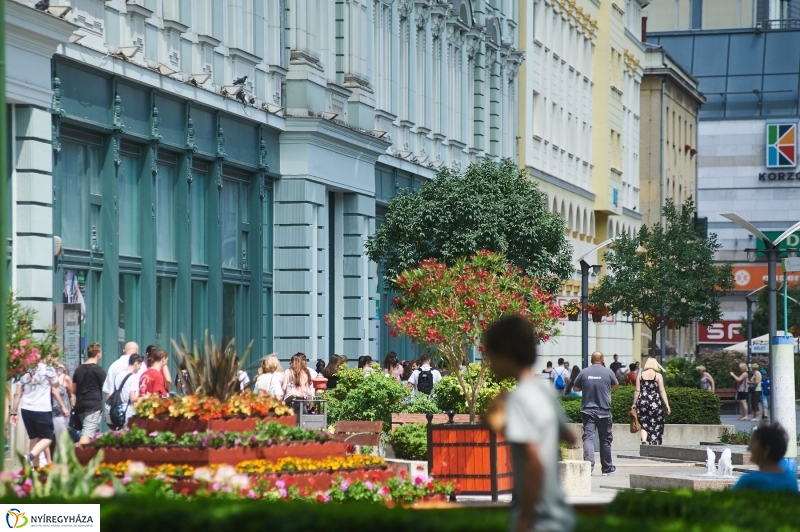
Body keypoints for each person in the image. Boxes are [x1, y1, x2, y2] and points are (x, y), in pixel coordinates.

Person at [482, 315, 576, 532]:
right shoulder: (543, 390)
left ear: (505, 355)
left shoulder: (518, 399)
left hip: (537, 520)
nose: (489, 361)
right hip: (560, 515)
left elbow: (534, 461)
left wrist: (525, 519)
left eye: (491, 354)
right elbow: (569, 437)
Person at [10, 362, 69, 466]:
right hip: (42, 409)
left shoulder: (23, 369)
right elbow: (56, 385)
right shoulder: (48, 369)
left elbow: (17, 394)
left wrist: (13, 413)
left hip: (26, 409)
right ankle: (29, 456)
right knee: (47, 438)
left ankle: (35, 469)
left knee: (34, 438)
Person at [572, 351, 619, 475]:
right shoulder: (608, 372)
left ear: (591, 359)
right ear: (602, 359)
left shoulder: (584, 372)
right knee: (605, 439)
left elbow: (575, 388)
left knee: (588, 439)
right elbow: (615, 386)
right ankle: (607, 468)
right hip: (604, 410)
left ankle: (588, 467)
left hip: (588, 410)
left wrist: (587, 386)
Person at [731, 423, 798, 493]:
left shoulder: (750, 481)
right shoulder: (791, 479)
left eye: (753, 442)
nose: (749, 448)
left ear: (766, 449)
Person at [71, 342, 105, 444]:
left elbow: (73, 391)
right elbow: (106, 387)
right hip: (93, 406)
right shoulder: (98, 370)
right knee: (87, 434)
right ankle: (78, 457)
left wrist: (73, 404)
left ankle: (88, 457)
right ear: (98, 353)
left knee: (89, 434)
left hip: (80, 405)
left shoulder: (78, 370)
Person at [632, 357, 671, 445]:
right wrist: (667, 404)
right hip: (655, 402)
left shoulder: (640, 375)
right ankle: (654, 441)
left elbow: (637, 391)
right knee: (656, 422)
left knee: (643, 422)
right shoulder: (658, 375)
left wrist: (634, 403)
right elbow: (661, 390)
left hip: (642, 401)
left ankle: (644, 440)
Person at [112, 354, 143, 425]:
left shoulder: (118, 375)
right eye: (139, 365)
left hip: (118, 409)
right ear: (136, 364)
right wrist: (144, 398)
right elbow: (132, 398)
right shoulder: (133, 377)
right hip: (128, 411)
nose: (139, 368)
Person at [51, 363, 74, 446]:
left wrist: (73, 411)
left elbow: (71, 395)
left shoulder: (65, 378)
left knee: (62, 441)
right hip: (48, 413)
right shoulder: (48, 379)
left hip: (62, 414)